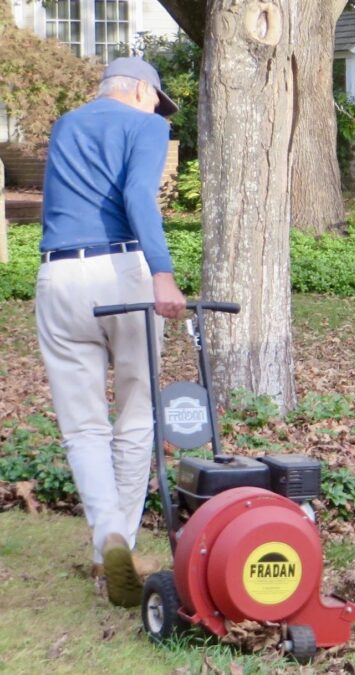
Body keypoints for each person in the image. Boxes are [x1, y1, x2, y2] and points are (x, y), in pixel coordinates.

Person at [36, 56, 186, 607]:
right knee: (136, 412)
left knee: (83, 427)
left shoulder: (67, 124)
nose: (157, 108)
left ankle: (109, 540)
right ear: (142, 90)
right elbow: (137, 197)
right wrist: (163, 274)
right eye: (156, 98)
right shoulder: (148, 124)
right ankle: (118, 540)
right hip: (122, 273)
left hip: (58, 274)